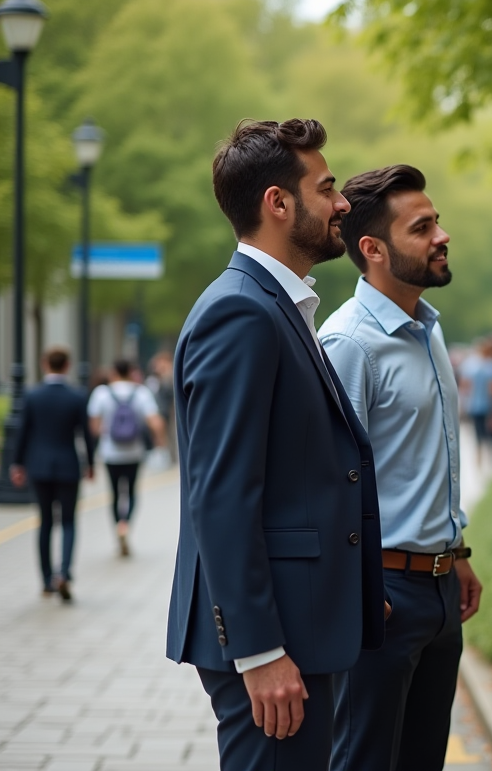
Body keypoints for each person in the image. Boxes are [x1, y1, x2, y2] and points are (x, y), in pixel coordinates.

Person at [165, 118, 387, 771]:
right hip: (271, 644)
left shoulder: (274, 305)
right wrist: (259, 653)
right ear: (278, 203)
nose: (343, 202)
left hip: (303, 625)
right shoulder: (242, 312)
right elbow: (223, 496)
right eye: (327, 187)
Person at [319, 164, 483, 771]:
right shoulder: (349, 344)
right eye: (422, 227)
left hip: (440, 592)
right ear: (373, 249)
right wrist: (353, 590)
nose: (442, 235)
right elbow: (329, 481)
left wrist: (456, 552)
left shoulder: (427, 329)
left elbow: (420, 460)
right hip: (381, 597)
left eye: (436, 220)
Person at [8, 347, 95, 600]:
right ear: (67, 366)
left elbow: (23, 433)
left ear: (44, 364)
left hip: (40, 467)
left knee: (45, 522)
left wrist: (17, 464)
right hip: (68, 465)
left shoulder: (33, 396)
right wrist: (90, 464)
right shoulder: (77, 396)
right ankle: (65, 573)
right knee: (68, 522)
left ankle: (46, 579)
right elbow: (86, 435)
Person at [87, 358, 166, 557]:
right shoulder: (141, 393)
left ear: (113, 372)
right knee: (131, 492)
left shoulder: (102, 393)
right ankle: (126, 524)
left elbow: (94, 427)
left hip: (110, 453)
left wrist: (105, 431)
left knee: (114, 494)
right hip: (134, 451)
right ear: (131, 372)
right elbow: (156, 423)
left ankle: (117, 527)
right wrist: (160, 443)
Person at [459, 340, 492, 469]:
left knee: (478, 435)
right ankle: (489, 464)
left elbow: (464, 386)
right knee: (490, 436)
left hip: (474, 406)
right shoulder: (491, 367)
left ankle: (479, 463)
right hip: (488, 406)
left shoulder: (470, 365)